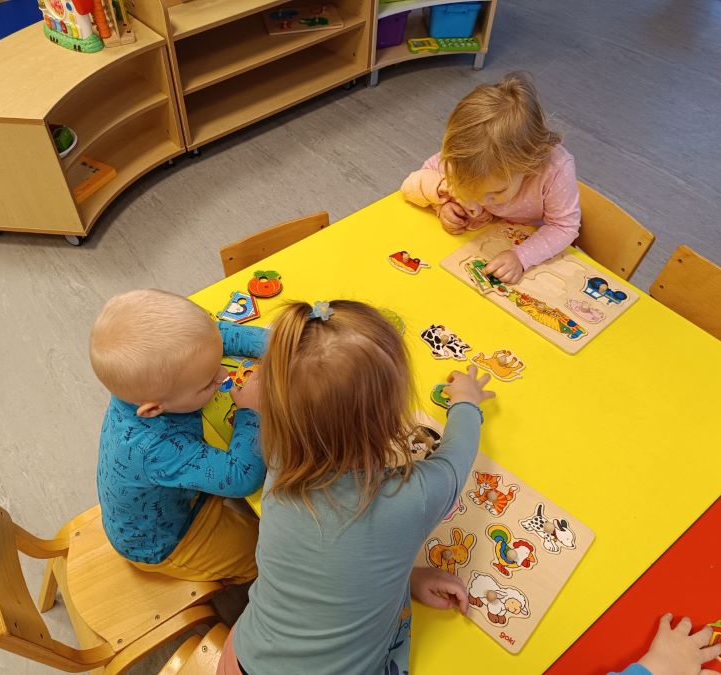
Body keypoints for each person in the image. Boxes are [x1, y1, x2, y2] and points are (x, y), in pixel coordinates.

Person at [220, 300, 495, 674]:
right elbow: (457, 453)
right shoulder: (412, 497)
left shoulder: (281, 455)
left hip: (242, 659)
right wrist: (466, 399)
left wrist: (402, 579)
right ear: (388, 418)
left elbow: (329, 566)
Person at [90, 289, 266, 584]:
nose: (223, 376)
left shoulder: (145, 385)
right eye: (207, 383)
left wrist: (274, 343)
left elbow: (211, 338)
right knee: (265, 554)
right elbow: (241, 478)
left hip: (174, 499)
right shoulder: (155, 449)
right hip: (167, 542)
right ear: (154, 409)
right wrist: (251, 411)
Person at [401, 72, 581, 284]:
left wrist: (521, 257)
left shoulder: (554, 169)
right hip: (485, 238)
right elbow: (420, 178)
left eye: (496, 192)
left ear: (529, 165)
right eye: (472, 190)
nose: (482, 201)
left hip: (533, 243)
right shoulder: (466, 156)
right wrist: (443, 205)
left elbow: (564, 227)